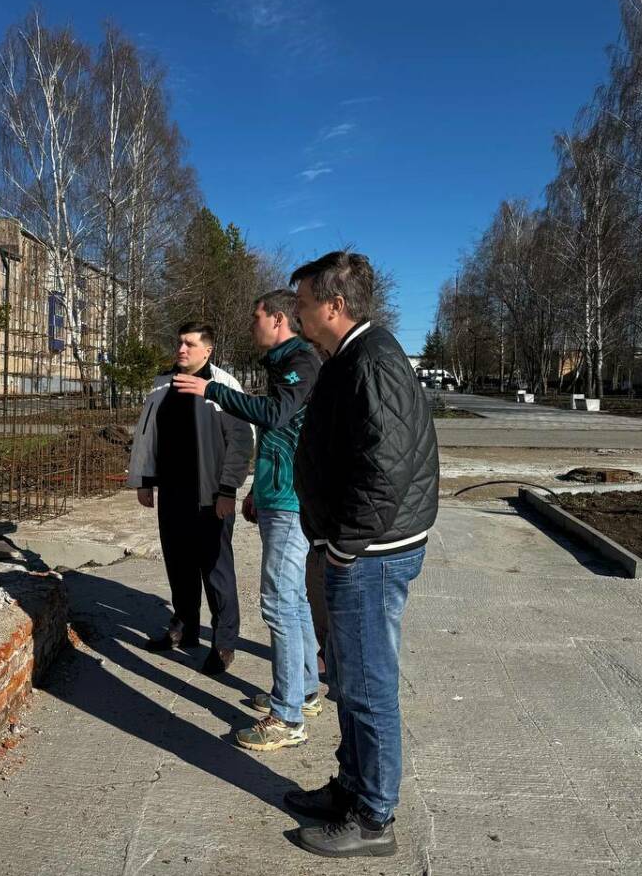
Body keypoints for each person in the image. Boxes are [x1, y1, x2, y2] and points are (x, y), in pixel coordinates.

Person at [285, 251, 439, 859]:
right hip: (359, 549)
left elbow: (387, 469)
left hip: (371, 554)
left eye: (301, 303)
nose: (295, 312)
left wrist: (344, 546)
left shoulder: (373, 361)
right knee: (348, 679)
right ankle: (351, 787)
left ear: (334, 306)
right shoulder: (349, 357)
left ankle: (374, 816)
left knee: (369, 685)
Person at [173, 290, 323, 752]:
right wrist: (257, 490)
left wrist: (213, 389)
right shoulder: (283, 363)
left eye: (256, 316)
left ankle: (287, 717)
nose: (251, 323)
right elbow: (280, 436)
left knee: (278, 601)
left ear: (278, 319)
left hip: (295, 501)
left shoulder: (302, 359)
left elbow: (276, 414)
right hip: (278, 493)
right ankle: (303, 692)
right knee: (292, 599)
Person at [127, 321, 254, 676]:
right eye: (179, 342)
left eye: (189, 344)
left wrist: (229, 489)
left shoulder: (223, 387)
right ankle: (184, 628)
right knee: (178, 566)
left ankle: (224, 642)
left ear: (207, 350)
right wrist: (143, 480)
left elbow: (242, 442)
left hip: (211, 496)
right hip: (173, 494)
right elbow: (148, 435)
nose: (181, 349)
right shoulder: (162, 385)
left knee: (216, 572)